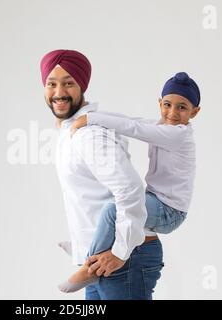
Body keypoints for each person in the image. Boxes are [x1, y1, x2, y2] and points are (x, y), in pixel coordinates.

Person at [58, 72, 201, 293]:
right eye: (167, 104)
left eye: (182, 107)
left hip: (170, 211)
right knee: (115, 210)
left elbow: (135, 129)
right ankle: (85, 249)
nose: (172, 112)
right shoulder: (163, 126)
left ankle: (88, 264)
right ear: (159, 103)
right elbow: (132, 121)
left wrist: (91, 119)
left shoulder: (178, 135)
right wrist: (89, 116)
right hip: (156, 200)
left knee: (113, 210)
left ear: (195, 112)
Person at [41, 49, 163, 300]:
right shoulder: (71, 131)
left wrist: (119, 251)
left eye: (68, 83)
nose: (59, 92)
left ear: (82, 85)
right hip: (101, 259)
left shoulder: (89, 134)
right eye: (51, 84)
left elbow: (129, 189)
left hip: (123, 257)